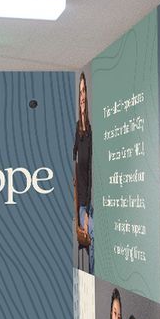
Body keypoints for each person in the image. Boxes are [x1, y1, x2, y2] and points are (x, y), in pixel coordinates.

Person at [74, 70, 93, 271]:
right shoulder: (77, 128)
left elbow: (89, 169)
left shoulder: (89, 131)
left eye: (84, 92)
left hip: (86, 202)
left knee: (90, 241)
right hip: (79, 199)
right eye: (79, 92)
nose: (81, 97)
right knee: (83, 244)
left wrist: (86, 210)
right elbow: (74, 158)